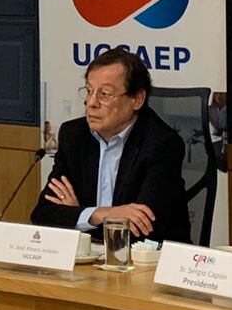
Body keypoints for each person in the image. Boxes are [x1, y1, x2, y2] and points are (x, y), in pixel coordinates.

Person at [30, 47, 189, 243]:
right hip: (87, 258)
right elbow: (43, 214)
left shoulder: (161, 144)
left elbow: (140, 231)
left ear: (137, 99)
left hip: (147, 258)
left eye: (104, 94)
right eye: (89, 91)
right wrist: (102, 214)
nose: (91, 103)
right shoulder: (74, 136)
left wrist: (79, 217)